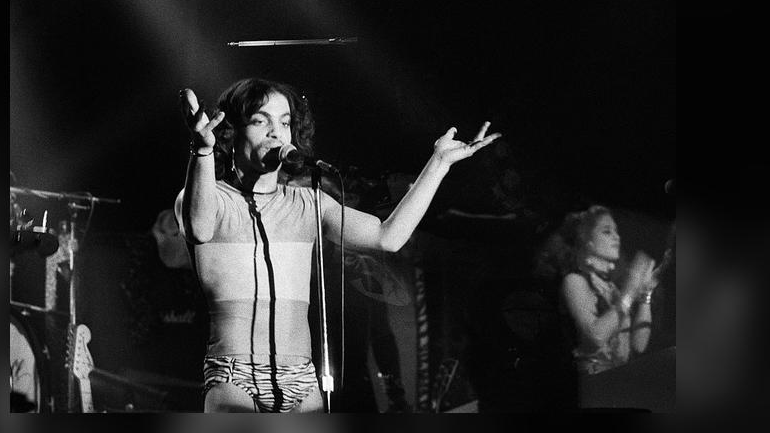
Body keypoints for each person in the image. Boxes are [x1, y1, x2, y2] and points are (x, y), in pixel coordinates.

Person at [173, 78, 501, 412]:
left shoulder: (308, 203)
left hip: (302, 378)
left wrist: (438, 164)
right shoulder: (208, 198)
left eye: (284, 122)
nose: (277, 133)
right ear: (230, 132)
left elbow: (388, 237)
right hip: (235, 377)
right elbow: (199, 228)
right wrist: (201, 151)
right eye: (261, 121)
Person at [536, 205, 664, 377]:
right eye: (606, 231)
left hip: (619, 380)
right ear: (587, 241)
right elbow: (594, 337)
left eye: (616, 231)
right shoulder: (574, 281)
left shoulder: (613, 290)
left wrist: (645, 295)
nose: (617, 237)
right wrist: (631, 290)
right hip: (592, 384)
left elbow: (638, 345)